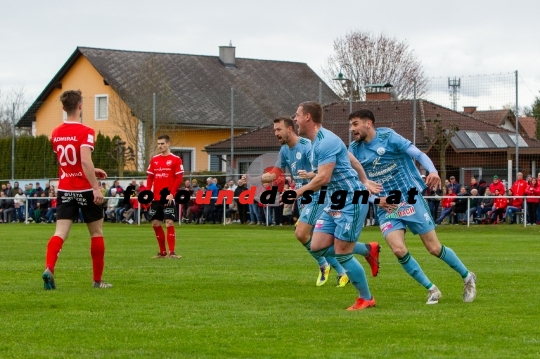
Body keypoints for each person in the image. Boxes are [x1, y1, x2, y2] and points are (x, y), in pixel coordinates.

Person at [349, 109, 476, 304]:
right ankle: (432, 289)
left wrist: (432, 170)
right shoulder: (354, 151)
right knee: (398, 250)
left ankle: (467, 276)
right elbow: (355, 185)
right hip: (386, 207)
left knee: (433, 248)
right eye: (351, 125)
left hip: (410, 198)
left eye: (355, 124)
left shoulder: (389, 137)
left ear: (369, 123)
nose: (352, 129)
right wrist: (377, 201)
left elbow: (418, 154)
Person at [263, 116, 379, 287]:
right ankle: (362, 252)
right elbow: (274, 174)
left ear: (289, 129)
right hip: (304, 196)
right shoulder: (284, 151)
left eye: (278, 129)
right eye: (274, 130)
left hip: (319, 194)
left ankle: (328, 266)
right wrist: (260, 177)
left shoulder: (310, 144)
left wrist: (364, 180)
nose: (276, 133)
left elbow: (335, 166)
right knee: (320, 240)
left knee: (302, 234)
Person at [293, 102, 377, 310]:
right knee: (317, 246)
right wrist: (365, 180)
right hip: (335, 200)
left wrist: (297, 192)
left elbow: (323, 177)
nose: (294, 119)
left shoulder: (326, 141)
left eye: (297, 115)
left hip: (351, 200)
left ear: (308, 117)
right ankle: (367, 249)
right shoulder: (316, 142)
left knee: (342, 253)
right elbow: (353, 161)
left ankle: (366, 298)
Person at [42, 89, 111, 290]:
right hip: (84, 190)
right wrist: (96, 188)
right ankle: (97, 281)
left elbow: (68, 162)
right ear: (80, 106)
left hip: (64, 189)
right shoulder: (86, 131)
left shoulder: (55, 132)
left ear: (63, 108)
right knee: (96, 233)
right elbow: (83, 160)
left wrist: (91, 170)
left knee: (60, 232)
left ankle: (49, 268)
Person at [146, 134, 184, 258]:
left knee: (169, 222)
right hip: (156, 198)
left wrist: (172, 194)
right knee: (156, 224)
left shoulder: (176, 159)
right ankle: (162, 252)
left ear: (168, 144)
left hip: (167, 197)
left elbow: (179, 178)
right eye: (158, 144)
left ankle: (172, 252)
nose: (160, 146)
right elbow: (150, 177)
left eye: (162, 143)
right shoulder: (154, 159)